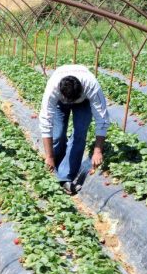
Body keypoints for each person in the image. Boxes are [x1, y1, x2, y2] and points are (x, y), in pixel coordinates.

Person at [39, 64, 110, 194]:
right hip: (60, 102)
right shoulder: (53, 88)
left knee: (79, 134)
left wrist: (98, 151)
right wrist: (49, 156)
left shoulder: (91, 85)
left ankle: (66, 177)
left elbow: (102, 119)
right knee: (58, 134)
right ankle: (55, 167)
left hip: (83, 102)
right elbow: (45, 121)